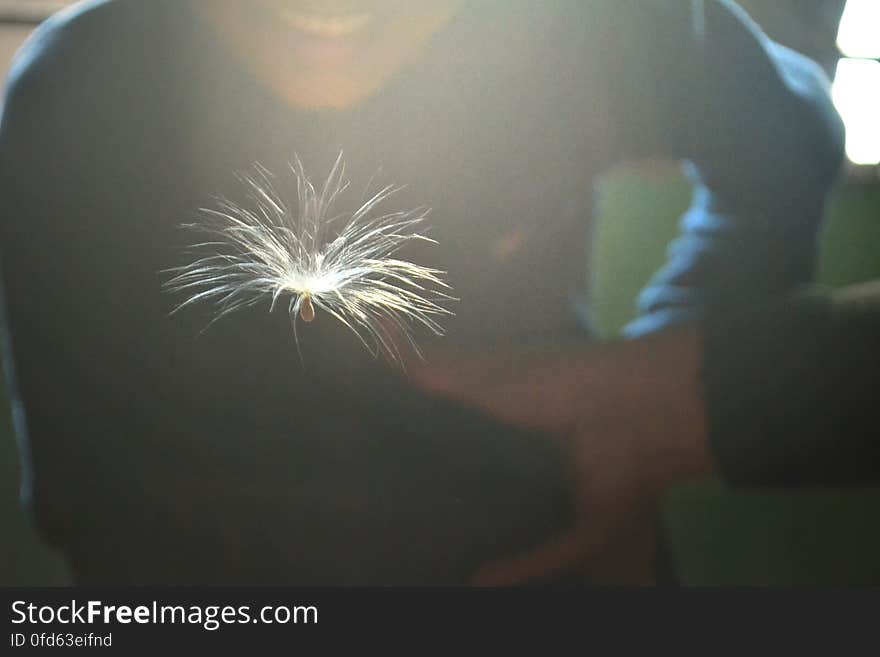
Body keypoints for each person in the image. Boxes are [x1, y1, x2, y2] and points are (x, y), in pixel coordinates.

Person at [0, 0, 844, 584]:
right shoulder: (70, 101)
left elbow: (789, 142)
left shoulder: (597, 30)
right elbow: (84, 511)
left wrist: (651, 402)